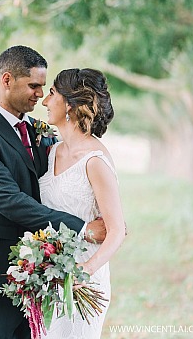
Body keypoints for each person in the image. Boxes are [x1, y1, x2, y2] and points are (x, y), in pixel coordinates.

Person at [0, 46, 107, 339]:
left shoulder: (37, 131)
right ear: (7, 80)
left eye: (43, 87)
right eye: (34, 86)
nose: (40, 95)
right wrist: (82, 228)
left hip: (35, 275)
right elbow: (10, 201)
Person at [39, 68, 126, 338]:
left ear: (70, 105)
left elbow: (117, 230)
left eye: (51, 93)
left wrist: (84, 272)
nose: (44, 101)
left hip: (81, 283)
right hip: (47, 279)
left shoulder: (94, 160)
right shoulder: (51, 151)